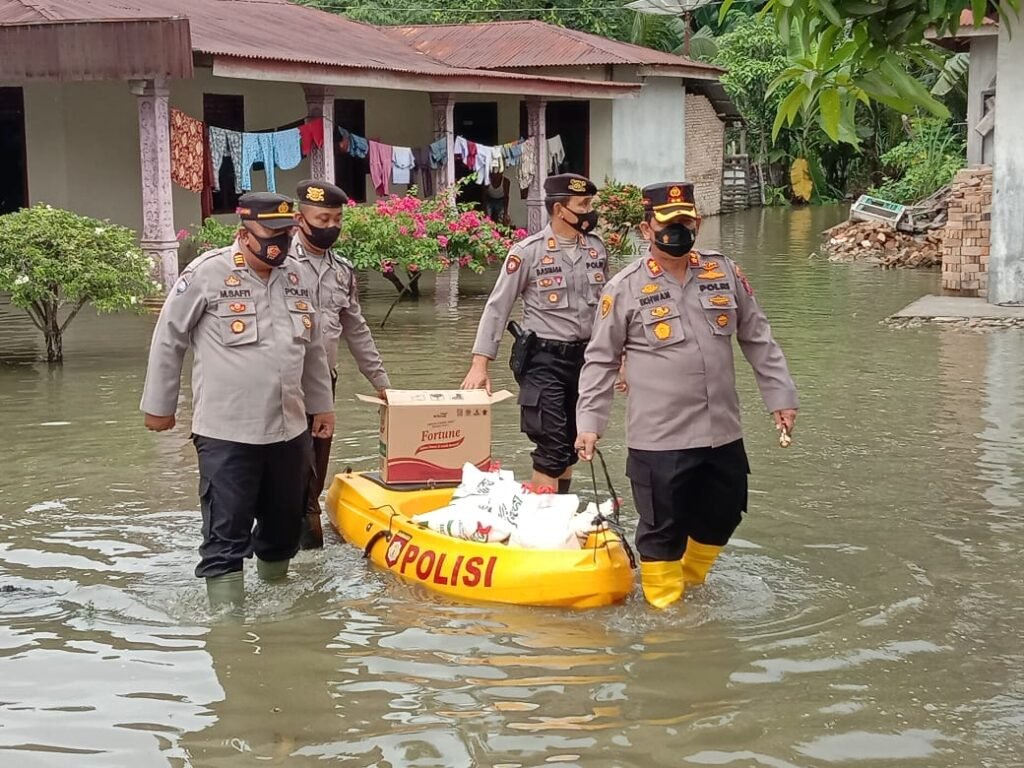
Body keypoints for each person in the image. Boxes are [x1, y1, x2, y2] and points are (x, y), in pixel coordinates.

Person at [574, 182, 798, 609]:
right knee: (662, 529)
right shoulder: (623, 288)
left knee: (725, 512)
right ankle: (665, 619)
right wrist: (589, 423)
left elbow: (758, 338)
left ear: (696, 223)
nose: (677, 230)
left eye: (684, 222)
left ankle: (691, 582)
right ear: (646, 230)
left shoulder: (724, 272)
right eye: (667, 224)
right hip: (660, 438)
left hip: (721, 431)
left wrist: (780, 395)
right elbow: (601, 360)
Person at [140, 192, 335, 610]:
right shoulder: (208, 274)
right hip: (227, 433)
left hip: (290, 430)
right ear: (243, 233)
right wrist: (161, 406)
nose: (281, 243)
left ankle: (280, 613)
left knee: (284, 529)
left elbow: (314, 347)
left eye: (288, 233)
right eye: (272, 234)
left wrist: (322, 406)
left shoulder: (297, 277)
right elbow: (169, 336)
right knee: (225, 534)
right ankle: (228, 631)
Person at [461, 173, 609, 494]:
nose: (589, 212)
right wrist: (480, 364)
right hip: (543, 362)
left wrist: (619, 359)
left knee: (570, 445)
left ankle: (561, 512)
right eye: (583, 205)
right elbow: (498, 307)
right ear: (560, 210)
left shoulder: (596, 250)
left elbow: (608, 311)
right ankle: (543, 525)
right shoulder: (527, 252)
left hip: (586, 363)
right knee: (551, 447)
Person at [291, 179, 390, 549]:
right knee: (290, 469)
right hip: (280, 383)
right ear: (300, 219)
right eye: (322, 218)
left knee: (314, 470)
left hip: (324, 386)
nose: (330, 226)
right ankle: (297, 537)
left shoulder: (342, 271)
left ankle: (305, 537)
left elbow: (356, 329)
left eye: (336, 219)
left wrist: (382, 382)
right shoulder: (278, 262)